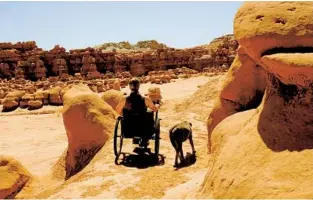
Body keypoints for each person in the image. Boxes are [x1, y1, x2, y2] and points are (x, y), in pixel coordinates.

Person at [115, 78, 159, 147]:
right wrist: (157, 105)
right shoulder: (146, 98)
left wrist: (125, 114)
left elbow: (117, 111)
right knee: (150, 114)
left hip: (128, 129)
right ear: (139, 86)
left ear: (129, 87)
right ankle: (145, 138)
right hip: (144, 128)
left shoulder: (124, 99)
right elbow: (155, 109)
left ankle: (136, 138)